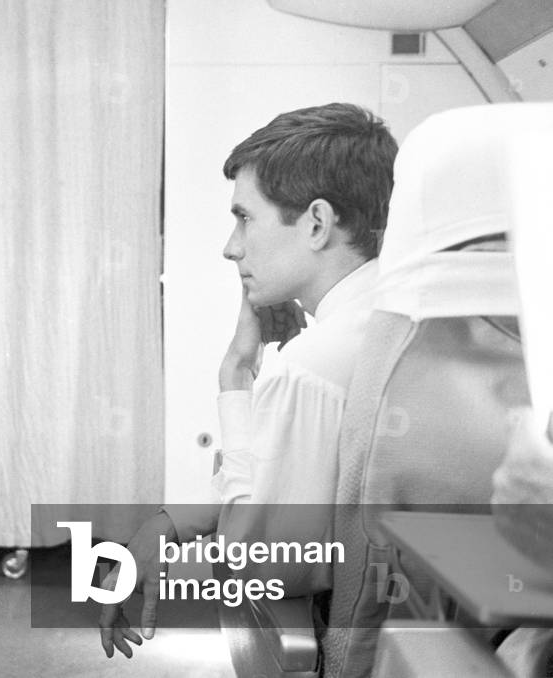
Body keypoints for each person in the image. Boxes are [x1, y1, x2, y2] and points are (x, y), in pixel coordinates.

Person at [99, 103, 399, 658]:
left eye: (244, 218)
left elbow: (248, 564)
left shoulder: (313, 368)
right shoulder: (393, 317)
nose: (230, 246)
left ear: (316, 223)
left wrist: (236, 376)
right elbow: (271, 483)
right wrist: (170, 522)